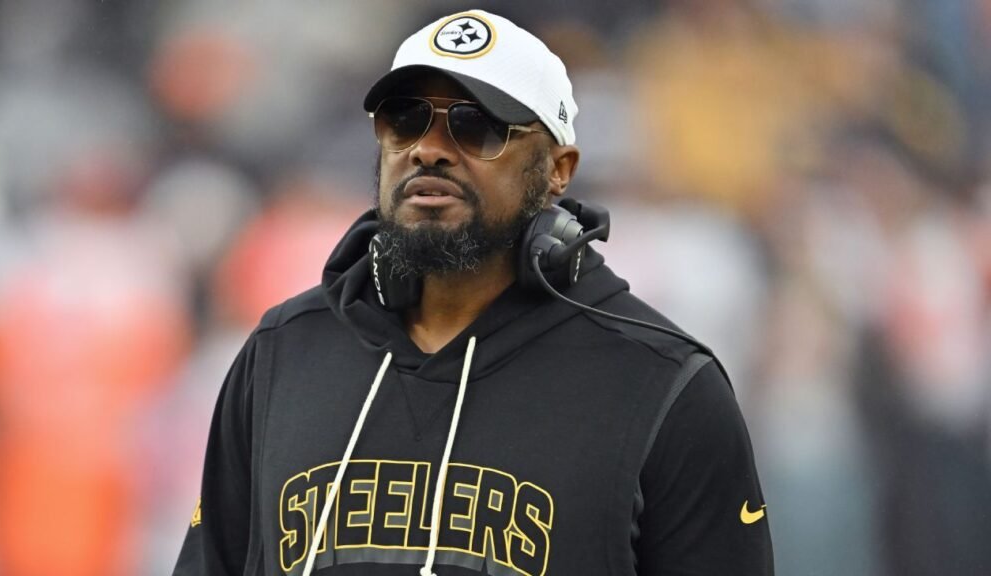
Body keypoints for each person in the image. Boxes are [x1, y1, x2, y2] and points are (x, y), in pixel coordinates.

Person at [173, 9, 773, 576]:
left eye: (474, 126)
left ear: (558, 169)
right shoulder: (282, 354)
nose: (428, 149)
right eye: (405, 119)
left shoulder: (662, 384)